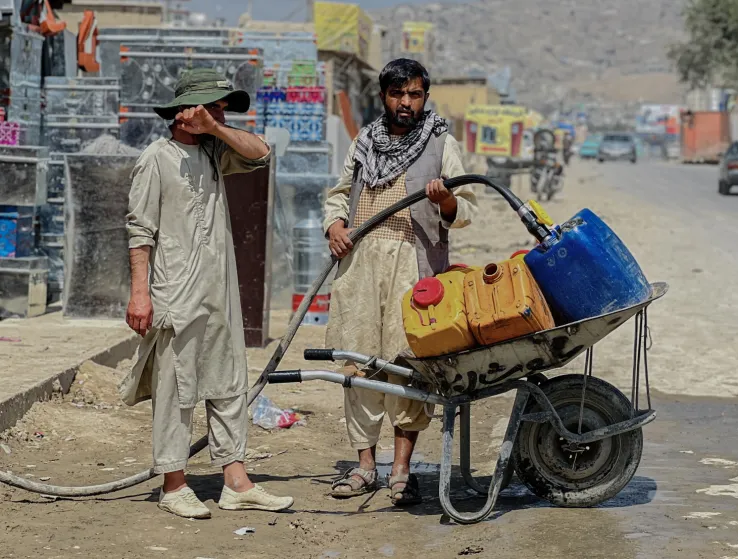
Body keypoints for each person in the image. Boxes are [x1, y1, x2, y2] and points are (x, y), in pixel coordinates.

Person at [122, 68, 294, 519]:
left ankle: (236, 482)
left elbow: (262, 153)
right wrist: (140, 293)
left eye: (221, 108)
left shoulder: (217, 151)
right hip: (176, 289)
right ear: (185, 112)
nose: (221, 113)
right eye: (213, 106)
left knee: (228, 383)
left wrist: (216, 127)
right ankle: (174, 483)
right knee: (176, 387)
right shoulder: (156, 158)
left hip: (220, 288)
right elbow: (139, 231)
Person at [323, 58, 478, 506]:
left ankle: (402, 471)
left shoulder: (441, 144)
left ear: (425, 97)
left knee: (409, 364)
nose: (405, 102)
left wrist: (447, 198)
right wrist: (335, 224)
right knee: (357, 363)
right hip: (360, 265)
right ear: (384, 97)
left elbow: (466, 209)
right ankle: (365, 466)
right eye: (397, 94)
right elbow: (338, 194)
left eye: (413, 94)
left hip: (414, 266)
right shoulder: (364, 142)